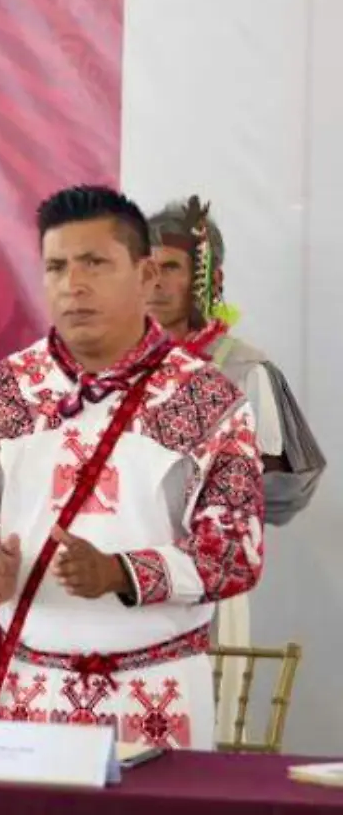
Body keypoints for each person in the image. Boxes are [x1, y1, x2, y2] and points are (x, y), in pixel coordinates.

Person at [0, 186, 264, 749]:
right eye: (56, 266)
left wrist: (121, 574)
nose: (73, 285)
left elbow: (235, 552)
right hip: (32, 689)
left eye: (95, 263)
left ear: (146, 274)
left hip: (159, 693)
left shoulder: (207, 399)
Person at [148, 196, 324, 741]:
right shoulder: (110, 369)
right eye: (146, 268)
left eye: (171, 269)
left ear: (206, 278)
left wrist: (205, 508)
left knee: (204, 731)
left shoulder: (243, 370)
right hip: (122, 574)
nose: (155, 283)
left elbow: (281, 486)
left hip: (207, 578)